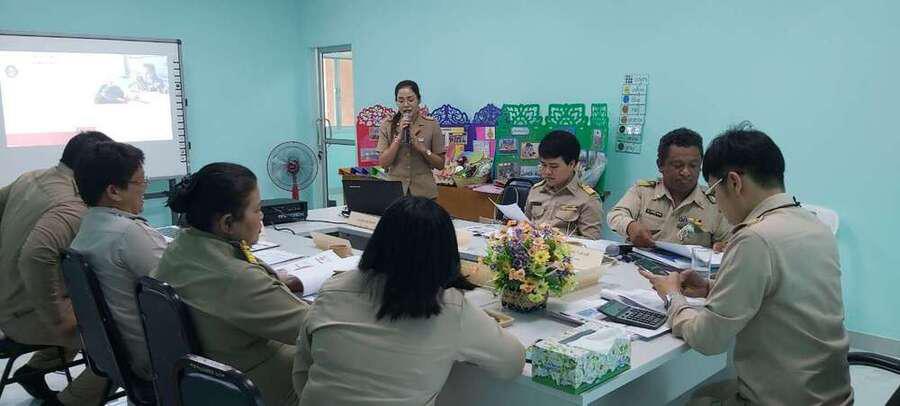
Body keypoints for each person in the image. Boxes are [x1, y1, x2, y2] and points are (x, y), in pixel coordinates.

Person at [640, 126, 853, 405]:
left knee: (697, 400)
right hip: (832, 395)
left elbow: (707, 339)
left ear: (734, 183)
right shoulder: (814, 226)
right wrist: (711, 288)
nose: (717, 205)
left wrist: (672, 296)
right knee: (708, 393)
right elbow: (781, 294)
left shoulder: (755, 238)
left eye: (714, 192)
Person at [293, 196, 525, 405]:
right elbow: (512, 363)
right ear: (445, 252)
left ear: (378, 240)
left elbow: (302, 370)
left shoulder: (333, 289)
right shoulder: (450, 307)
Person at [152, 162, 308, 406]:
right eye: (257, 210)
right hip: (257, 387)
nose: (262, 216)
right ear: (227, 224)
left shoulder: (181, 246)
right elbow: (315, 328)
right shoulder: (237, 278)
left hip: (209, 380)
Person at [0, 131, 113, 405]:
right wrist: (61, 316)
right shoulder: (73, 205)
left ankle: (36, 369)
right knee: (125, 342)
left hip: (8, 301)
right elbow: (35, 258)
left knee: (77, 301)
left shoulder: (30, 178)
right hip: (24, 315)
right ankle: (68, 402)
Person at [69, 141, 166, 382]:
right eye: (140, 182)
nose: (145, 188)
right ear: (114, 191)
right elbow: (183, 286)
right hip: (156, 360)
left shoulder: (89, 226)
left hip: (117, 357)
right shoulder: (128, 234)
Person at [608, 128, 731, 249]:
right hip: (640, 259)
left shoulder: (715, 204)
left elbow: (727, 242)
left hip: (688, 263)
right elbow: (615, 215)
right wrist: (630, 226)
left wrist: (721, 247)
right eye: (678, 165)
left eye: (693, 165)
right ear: (660, 165)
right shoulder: (643, 192)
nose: (686, 172)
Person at [523, 130, 603, 239]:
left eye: (554, 166)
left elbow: (591, 243)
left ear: (572, 164)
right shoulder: (535, 191)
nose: (547, 171)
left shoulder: (588, 199)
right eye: (543, 165)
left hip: (568, 249)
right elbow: (525, 226)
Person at [376, 80, 445, 199]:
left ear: (419, 100)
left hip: (424, 194)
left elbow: (440, 164)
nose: (406, 104)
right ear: (396, 102)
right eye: (401, 100)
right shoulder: (387, 125)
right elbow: (383, 163)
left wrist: (423, 149)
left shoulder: (431, 125)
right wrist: (399, 137)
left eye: (410, 99)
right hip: (396, 193)